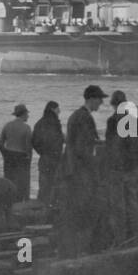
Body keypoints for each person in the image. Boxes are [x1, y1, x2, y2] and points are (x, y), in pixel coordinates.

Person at [57, 85, 107, 257]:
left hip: (70, 169)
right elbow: (82, 148)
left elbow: (77, 144)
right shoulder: (85, 117)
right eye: (100, 99)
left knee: (75, 209)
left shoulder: (76, 115)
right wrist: (96, 163)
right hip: (80, 172)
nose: (101, 103)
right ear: (92, 99)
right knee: (85, 208)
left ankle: (73, 248)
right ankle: (82, 249)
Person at [105, 90, 138, 244]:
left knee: (118, 204)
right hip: (132, 168)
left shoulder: (113, 120)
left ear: (113, 104)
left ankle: (120, 238)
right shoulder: (134, 120)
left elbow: (110, 146)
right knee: (131, 201)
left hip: (117, 169)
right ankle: (135, 235)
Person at [32, 100, 65, 204]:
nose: (59, 111)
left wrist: (41, 152)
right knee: (55, 184)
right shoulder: (55, 122)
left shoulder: (39, 122)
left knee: (44, 184)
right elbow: (59, 139)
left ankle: (41, 206)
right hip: (55, 157)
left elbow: (34, 141)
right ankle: (53, 207)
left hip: (44, 157)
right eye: (57, 108)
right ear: (52, 109)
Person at [0, 104, 33, 200]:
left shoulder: (7, 126)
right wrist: (29, 158)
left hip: (9, 156)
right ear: (24, 114)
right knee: (23, 183)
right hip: (21, 156)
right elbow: (28, 147)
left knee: (9, 181)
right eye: (27, 114)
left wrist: (5, 154)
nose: (28, 116)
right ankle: (22, 203)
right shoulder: (26, 128)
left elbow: (0, 145)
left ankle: (9, 201)